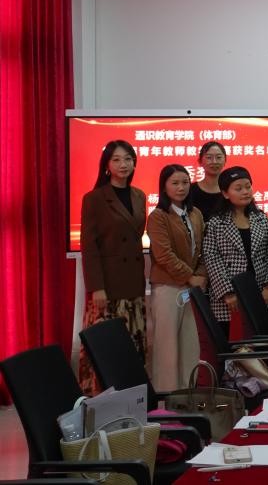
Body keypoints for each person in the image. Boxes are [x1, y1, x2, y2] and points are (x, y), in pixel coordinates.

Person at [78, 139, 147, 394]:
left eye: (128, 159)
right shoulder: (94, 198)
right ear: (106, 165)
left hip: (133, 283)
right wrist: (96, 287)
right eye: (116, 159)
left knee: (133, 347)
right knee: (105, 348)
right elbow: (89, 247)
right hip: (107, 286)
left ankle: (133, 398)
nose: (123, 164)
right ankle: (98, 397)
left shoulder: (139, 195)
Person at [146, 163, 207, 392]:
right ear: (164, 187)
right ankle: (166, 394)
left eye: (185, 182)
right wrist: (190, 276)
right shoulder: (158, 216)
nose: (181, 187)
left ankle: (188, 392)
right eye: (175, 183)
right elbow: (164, 255)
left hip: (191, 289)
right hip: (167, 287)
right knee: (167, 346)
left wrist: (200, 275)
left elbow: (203, 250)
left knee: (191, 344)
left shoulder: (195, 213)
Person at [201, 166, 268, 337]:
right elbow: (212, 259)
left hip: (260, 293)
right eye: (238, 188)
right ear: (225, 193)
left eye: (248, 186)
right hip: (229, 300)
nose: (245, 191)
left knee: (263, 345)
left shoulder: (263, 219)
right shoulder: (216, 223)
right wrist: (227, 292)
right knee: (233, 346)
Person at [189, 141, 227, 221]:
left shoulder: (232, 190)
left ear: (225, 161)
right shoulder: (190, 190)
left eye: (218, 157)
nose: (214, 162)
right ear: (200, 161)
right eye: (209, 157)